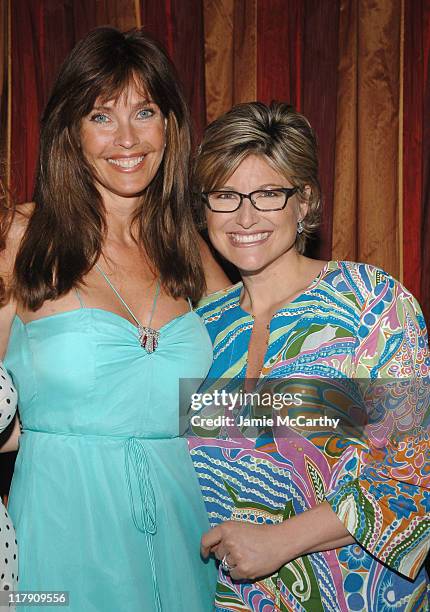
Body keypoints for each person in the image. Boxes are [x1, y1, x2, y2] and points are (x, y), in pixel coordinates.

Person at [0, 27, 228, 611]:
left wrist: (380, 413)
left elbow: (242, 402)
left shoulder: (194, 251)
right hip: (59, 538)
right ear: (70, 132)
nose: (127, 139)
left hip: (186, 537)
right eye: (101, 116)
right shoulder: (21, 239)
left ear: (171, 126)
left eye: (145, 112)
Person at [189, 101, 430, 611]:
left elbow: (414, 471)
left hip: (362, 597)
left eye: (268, 194)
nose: (245, 216)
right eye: (225, 195)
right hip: (226, 600)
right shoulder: (199, 328)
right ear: (204, 208)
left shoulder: (372, 302)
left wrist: (281, 542)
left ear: (304, 203)